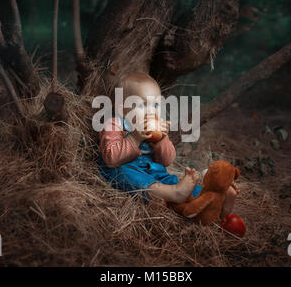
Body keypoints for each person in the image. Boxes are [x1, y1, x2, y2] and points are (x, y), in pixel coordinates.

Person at [97, 73, 238, 217]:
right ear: (123, 109)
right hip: (125, 169)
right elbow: (111, 158)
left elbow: (166, 160)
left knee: (170, 180)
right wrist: (135, 138)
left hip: (154, 171)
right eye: (142, 105)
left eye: (156, 105)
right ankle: (174, 193)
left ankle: (216, 200)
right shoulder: (115, 124)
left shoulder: (155, 126)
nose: (151, 111)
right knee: (127, 175)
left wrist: (161, 140)